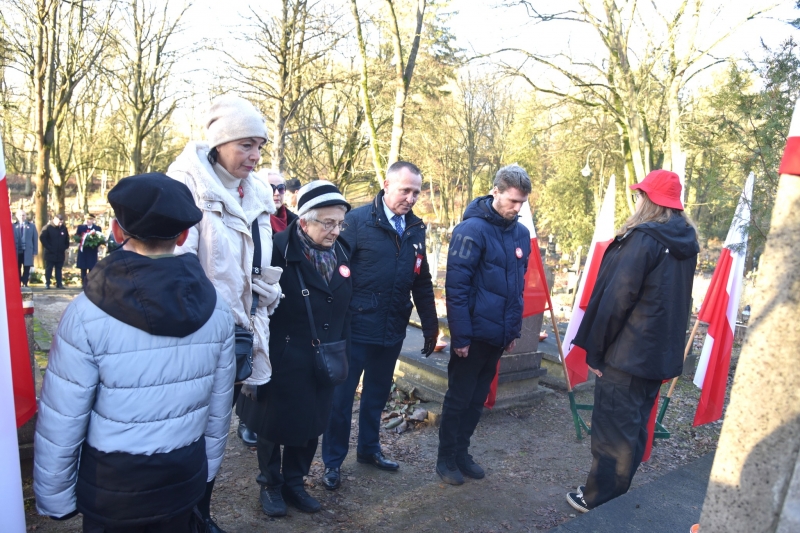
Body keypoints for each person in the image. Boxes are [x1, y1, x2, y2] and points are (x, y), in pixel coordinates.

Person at [33, 173, 235, 533]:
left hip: (114, 486)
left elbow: (63, 415)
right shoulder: (217, 309)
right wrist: (206, 470)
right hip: (182, 475)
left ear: (116, 231)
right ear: (183, 236)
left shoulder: (85, 314)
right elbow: (219, 406)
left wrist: (55, 497)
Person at [167, 94, 282, 533]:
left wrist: (265, 293)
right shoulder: (187, 186)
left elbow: (257, 265)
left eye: (260, 146)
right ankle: (179, 514)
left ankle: (201, 513)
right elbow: (179, 269)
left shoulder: (257, 194)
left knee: (217, 429)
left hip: (240, 336)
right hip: (196, 334)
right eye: (245, 145)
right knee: (187, 431)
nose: (254, 156)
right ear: (219, 143)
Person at [566, 170, 699, 513]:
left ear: (649, 201)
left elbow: (616, 300)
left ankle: (599, 500)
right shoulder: (685, 243)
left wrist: (596, 352)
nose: (637, 200)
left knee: (614, 432)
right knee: (635, 428)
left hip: (626, 354)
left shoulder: (644, 239)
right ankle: (615, 494)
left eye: (641, 195)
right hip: (655, 356)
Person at [238, 181, 353, 517]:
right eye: (328, 223)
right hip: (283, 355)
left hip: (324, 357)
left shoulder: (342, 250)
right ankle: (270, 484)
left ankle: (294, 483)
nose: (335, 231)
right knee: (272, 425)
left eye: (340, 223)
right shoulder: (277, 249)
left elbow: (345, 303)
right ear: (304, 221)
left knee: (310, 424)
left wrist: (342, 347)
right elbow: (255, 304)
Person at [321, 161, 438, 490]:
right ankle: (333, 462)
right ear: (386, 185)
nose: (411, 198)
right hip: (355, 328)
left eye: (416, 192)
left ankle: (369, 450)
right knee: (342, 400)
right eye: (405, 190)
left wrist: (430, 324)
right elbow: (335, 276)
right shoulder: (356, 222)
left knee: (376, 394)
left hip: (392, 327)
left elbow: (422, 280)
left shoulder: (415, 228)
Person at [437, 164, 532, 485]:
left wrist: (512, 331)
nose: (517, 208)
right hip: (473, 334)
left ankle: (462, 452)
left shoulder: (520, 234)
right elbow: (457, 287)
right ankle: (445, 458)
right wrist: (461, 336)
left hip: (497, 335)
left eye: (522, 203)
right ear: (495, 192)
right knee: (459, 398)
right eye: (512, 201)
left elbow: (517, 287)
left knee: (477, 399)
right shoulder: (471, 230)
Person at [255, 168, 297, 233]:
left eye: (281, 188)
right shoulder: (253, 222)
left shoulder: (295, 222)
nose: (277, 193)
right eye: (271, 188)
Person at [39, 214, 70, 289]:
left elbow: (67, 238)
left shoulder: (63, 228)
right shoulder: (48, 227)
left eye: (61, 222)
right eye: (59, 222)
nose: (60, 224)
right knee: (49, 268)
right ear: (55, 220)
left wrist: (65, 246)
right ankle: (47, 283)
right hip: (50, 252)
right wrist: (48, 247)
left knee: (59, 268)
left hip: (60, 252)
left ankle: (59, 283)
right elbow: (42, 238)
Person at [75, 214, 103, 286]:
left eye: (90, 219)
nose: (88, 221)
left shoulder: (97, 228)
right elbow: (77, 237)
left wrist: (94, 242)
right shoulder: (81, 228)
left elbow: (100, 239)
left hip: (92, 251)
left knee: (92, 268)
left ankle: (90, 284)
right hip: (83, 251)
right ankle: (84, 283)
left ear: (93, 220)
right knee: (83, 268)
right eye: (87, 219)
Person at [13, 209, 37, 287]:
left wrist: (35, 251)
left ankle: (25, 283)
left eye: (23, 215)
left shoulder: (31, 226)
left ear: (25, 216)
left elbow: (35, 239)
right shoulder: (13, 226)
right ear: (17, 216)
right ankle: (18, 282)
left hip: (28, 251)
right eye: (20, 215)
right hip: (17, 251)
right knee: (17, 267)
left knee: (27, 267)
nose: (22, 217)